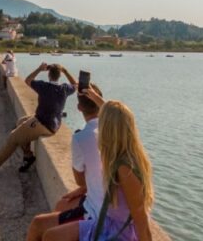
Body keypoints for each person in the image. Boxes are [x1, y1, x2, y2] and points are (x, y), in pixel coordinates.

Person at [41, 88, 154, 241]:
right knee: (51, 232)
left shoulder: (125, 168)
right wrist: (95, 97)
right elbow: (119, 117)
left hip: (117, 229)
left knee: (51, 236)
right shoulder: (122, 155)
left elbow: (141, 220)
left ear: (107, 130)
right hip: (108, 219)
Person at [25, 82, 103, 241]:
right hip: (98, 198)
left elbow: (80, 180)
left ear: (79, 108)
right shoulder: (114, 131)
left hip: (98, 212)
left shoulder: (81, 137)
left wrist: (83, 187)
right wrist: (83, 189)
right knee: (62, 205)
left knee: (38, 225)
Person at [0, 62, 77, 176]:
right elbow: (76, 85)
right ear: (60, 75)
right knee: (21, 122)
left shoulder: (44, 86)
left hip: (43, 123)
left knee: (13, 138)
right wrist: (66, 71)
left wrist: (39, 69)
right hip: (53, 124)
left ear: (49, 75)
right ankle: (28, 156)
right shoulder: (64, 88)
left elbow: (28, 80)